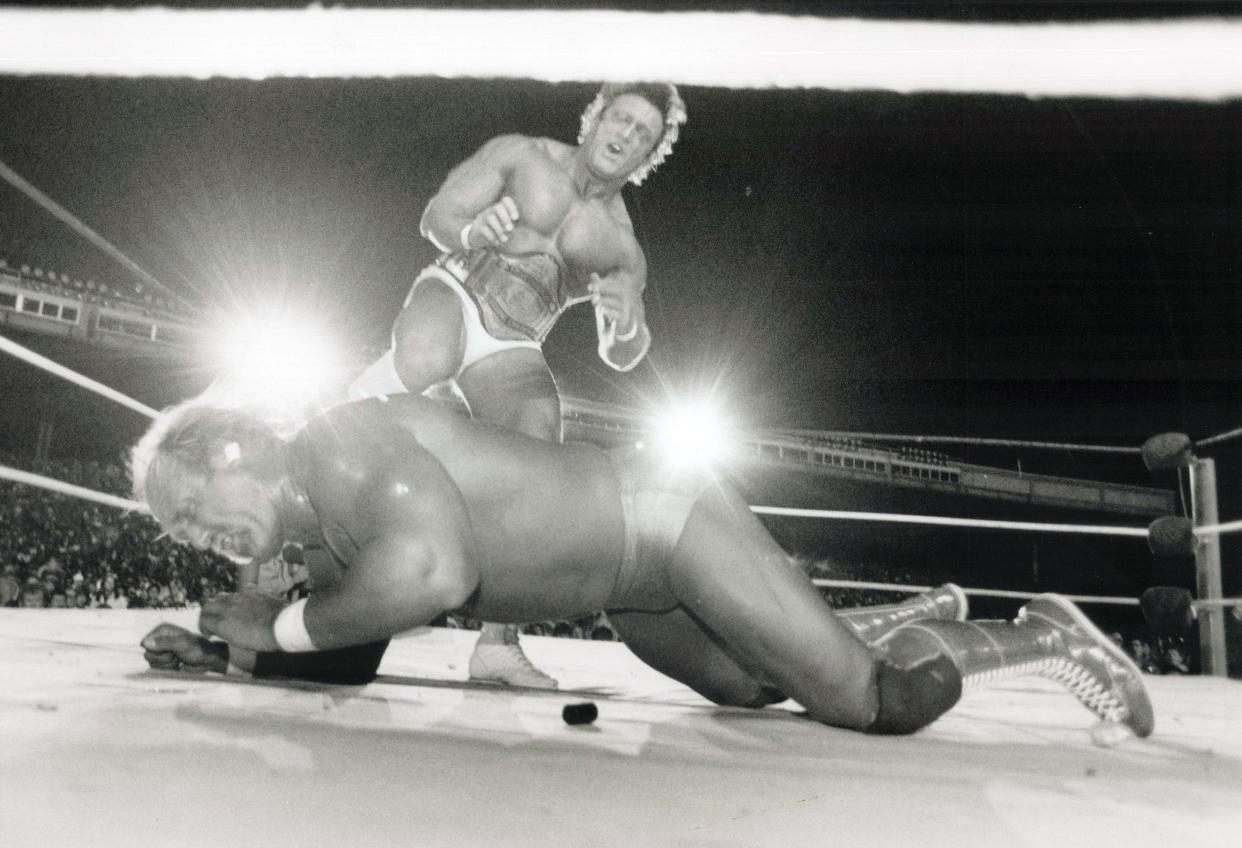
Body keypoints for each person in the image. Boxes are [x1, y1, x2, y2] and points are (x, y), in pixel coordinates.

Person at [134, 394, 1153, 738]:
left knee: (873, 705)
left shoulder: (341, 445)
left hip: (664, 518)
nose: (189, 534)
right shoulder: (310, 529)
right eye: (175, 530)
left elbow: (434, 570)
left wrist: (274, 626)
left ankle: (1043, 634)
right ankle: (898, 611)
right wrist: (235, 654)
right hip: (627, 590)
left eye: (187, 506)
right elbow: (349, 643)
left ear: (235, 454)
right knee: (751, 683)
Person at [346, 82, 688, 688]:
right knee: (423, 358)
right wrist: (475, 232)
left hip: (514, 343)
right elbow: (437, 217)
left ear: (649, 157)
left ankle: (497, 648)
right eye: (621, 120)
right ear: (595, 118)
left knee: (538, 439)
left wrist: (630, 328)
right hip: (455, 287)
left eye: (643, 135)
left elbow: (622, 352)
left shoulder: (624, 248)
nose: (626, 137)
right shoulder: (519, 153)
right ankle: (342, 419)